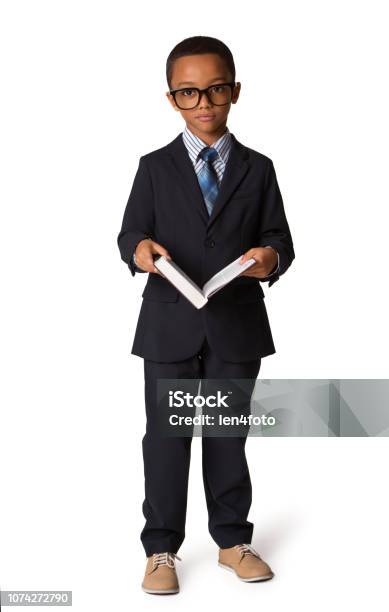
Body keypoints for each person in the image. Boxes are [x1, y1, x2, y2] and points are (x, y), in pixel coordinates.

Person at [117, 35, 295, 595]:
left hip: (235, 324)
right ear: (172, 99)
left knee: (227, 434)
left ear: (234, 91)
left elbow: (278, 240)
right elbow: (130, 234)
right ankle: (162, 549)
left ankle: (231, 541)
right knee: (166, 438)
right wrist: (139, 252)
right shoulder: (154, 167)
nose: (204, 103)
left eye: (216, 90)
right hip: (170, 322)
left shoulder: (258, 168)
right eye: (189, 93)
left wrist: (269, 258)